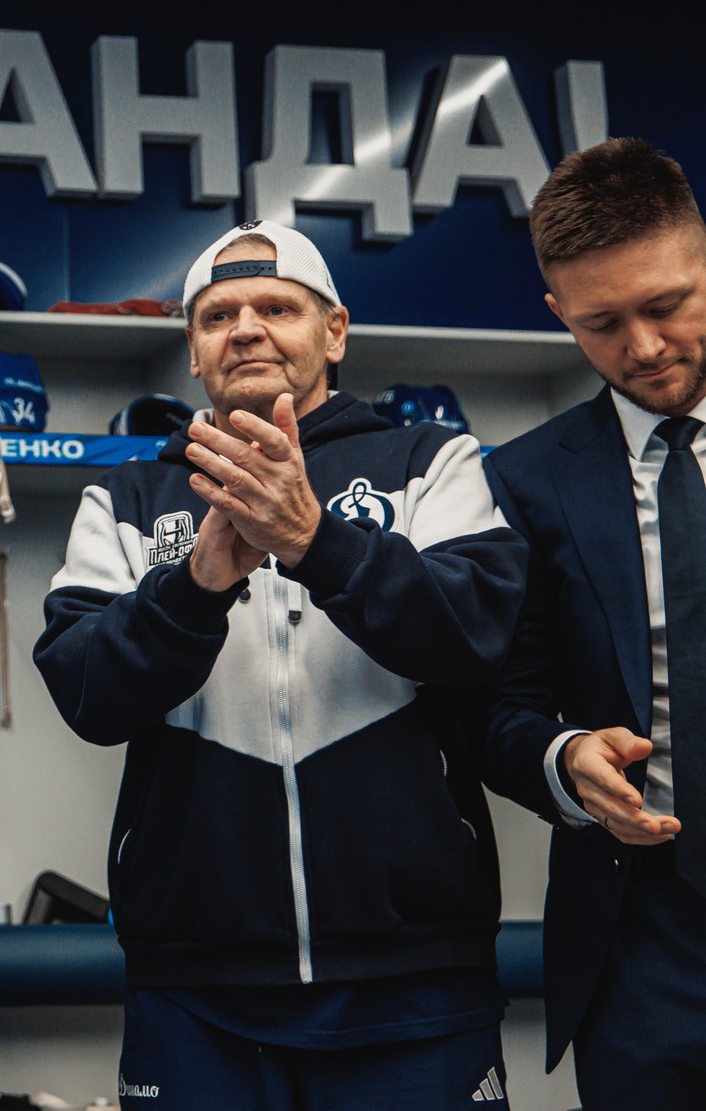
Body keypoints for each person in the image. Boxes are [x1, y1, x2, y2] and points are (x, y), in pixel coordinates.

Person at [33, 219, 526, 1109]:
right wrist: (196, 588)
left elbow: (474, 635)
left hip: (415, 984)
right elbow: (87, 692)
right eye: (218, 315)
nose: (247, 329)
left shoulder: (429, 461)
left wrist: (315, 542)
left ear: (334, 332)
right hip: (196, 996)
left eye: (276, 307)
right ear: (193, 349)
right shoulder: (129, 496)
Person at [475, 137, 706, 1110]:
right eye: (602, 323)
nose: (642, 347)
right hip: (641, 939)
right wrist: (564, 757)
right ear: (557, 312)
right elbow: (498, 709)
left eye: (666, 305)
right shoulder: (523, 481)